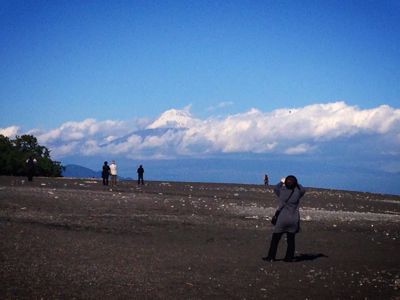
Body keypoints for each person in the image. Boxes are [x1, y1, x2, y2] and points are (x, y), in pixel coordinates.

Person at [263, 175, 306, 262]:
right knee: (291, 240)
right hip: (294, 219)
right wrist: (296, 183)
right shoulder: (297, 192)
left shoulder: (282, 191)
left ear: (285, 183)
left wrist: (281, 182)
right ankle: (289, 258)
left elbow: (275, 188)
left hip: (282, 219)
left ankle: (271, 257)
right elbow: (303, 190)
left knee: (275, 239)